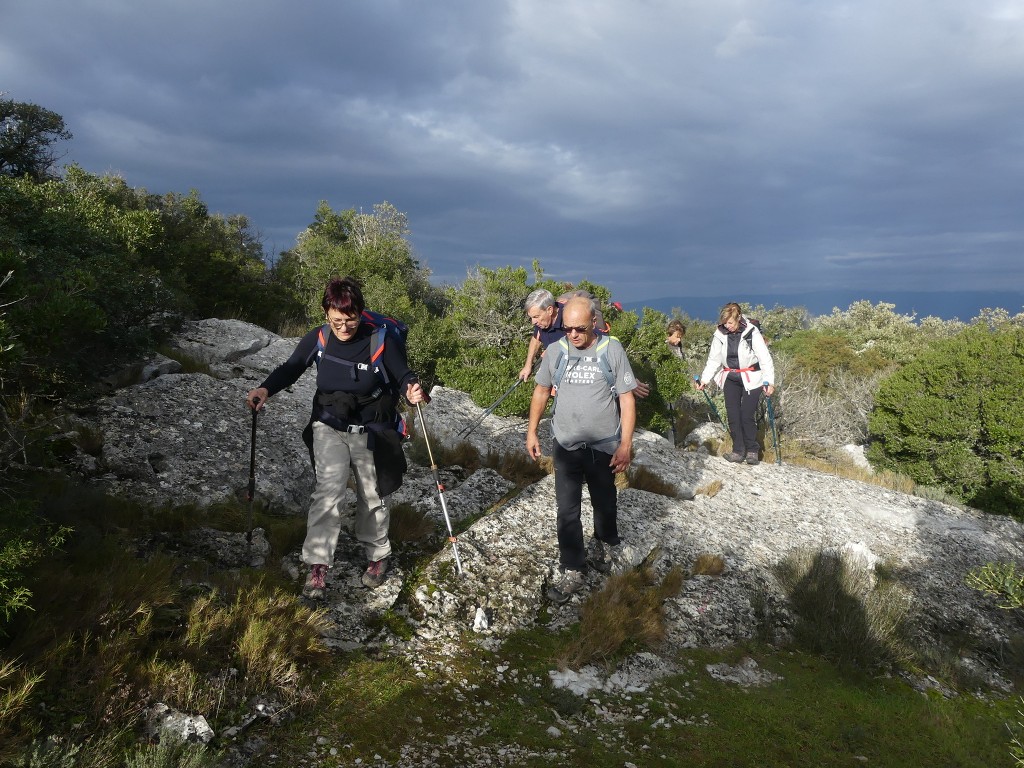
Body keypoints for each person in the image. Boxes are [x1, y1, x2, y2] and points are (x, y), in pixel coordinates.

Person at [245, 277, 425, 597]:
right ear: (326, 314)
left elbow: (402, 373)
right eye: (336, 320)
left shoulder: (381, 339)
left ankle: (377, 556)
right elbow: (292, 367)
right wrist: (265, 388)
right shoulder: (320, 337)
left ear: (361, 312)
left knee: (374, 495)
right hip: (328, 427)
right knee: (328, 493)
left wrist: (411, 386)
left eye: (350, 319)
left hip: (372, 431)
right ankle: (317, 564)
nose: (343, 327)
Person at [526, 296, 638, 604]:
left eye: (579, 329)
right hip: (566, 444)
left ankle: (607, 544)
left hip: (603, 446)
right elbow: (541, 391)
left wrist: (625, 445)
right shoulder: (556, 352)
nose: (573, 335)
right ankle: (573, 567)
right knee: (567, 511)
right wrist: (532, 431)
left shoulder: (611, 349)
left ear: (593, 324)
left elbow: (627, 399)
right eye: (567, 329)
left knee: (605, 502)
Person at [518, 288, 650, 397]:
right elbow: (536, 338)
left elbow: (604, 344)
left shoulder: (572, 317)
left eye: (536, 317)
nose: (533, 322)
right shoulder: (542, 323)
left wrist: (628, 379)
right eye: (531, 318)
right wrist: (528, 365)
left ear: (550, 310)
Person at [694, 302, 774, 465]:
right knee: (733, 415)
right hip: (730, 376)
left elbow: (765, 358)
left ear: (738, 319)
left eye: (730, 322)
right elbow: (714, 359)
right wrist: (705, 379)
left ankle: (752, 450)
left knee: (746, 415)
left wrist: (769, 382)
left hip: (752, 377)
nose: (727, 326)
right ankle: (738, 450)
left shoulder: (751, 332)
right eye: (725, 322)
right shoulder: (720, 333)